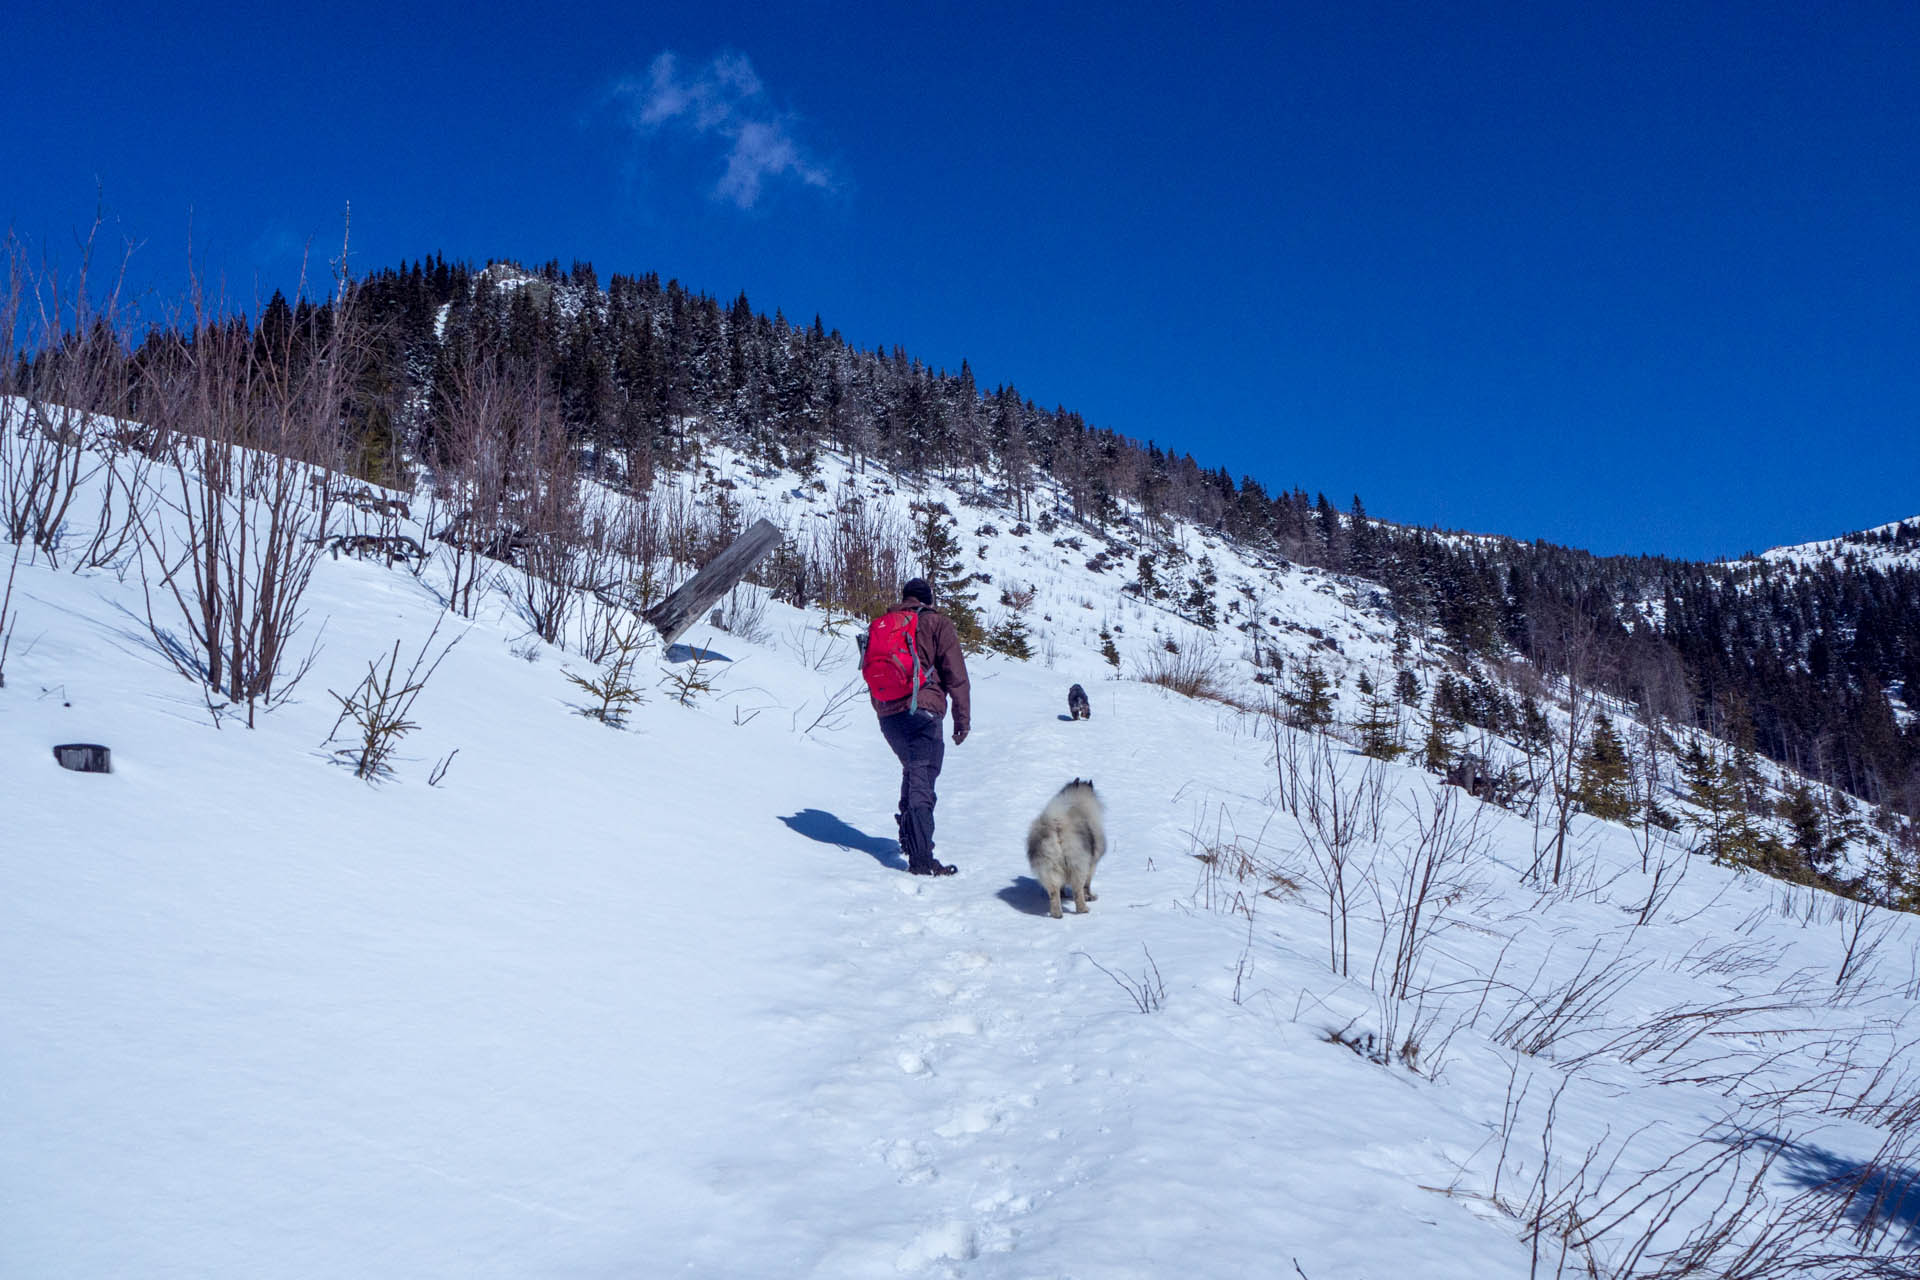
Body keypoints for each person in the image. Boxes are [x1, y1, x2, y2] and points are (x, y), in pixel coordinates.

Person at [868, 577, 971, 876]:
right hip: (923, 711)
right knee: (922, 780)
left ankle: (909, 840)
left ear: (905, 598)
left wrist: (883, 709)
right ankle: (922, 859)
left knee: (913, 770)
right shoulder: (937, 624)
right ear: (928, 599)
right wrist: (962, 720)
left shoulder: (885, 624)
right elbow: (956, 675)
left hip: (889, 715)